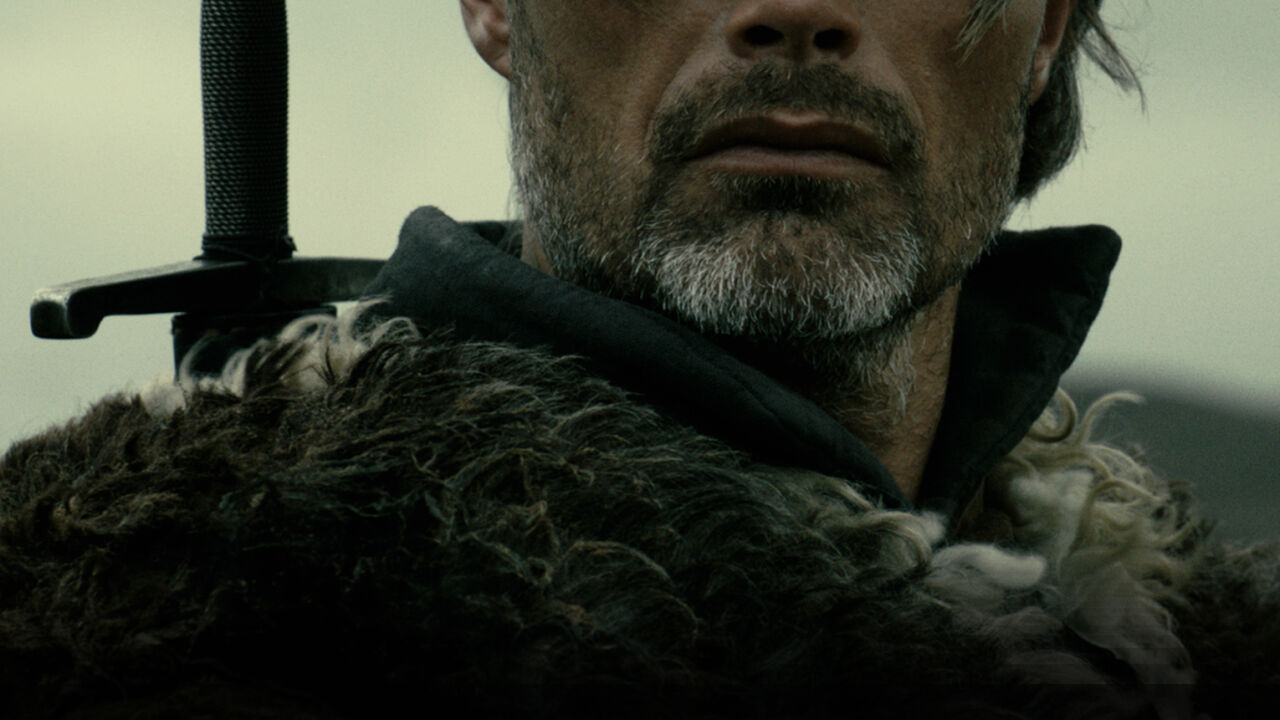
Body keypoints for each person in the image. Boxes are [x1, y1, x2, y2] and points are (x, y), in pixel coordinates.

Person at [1, 1, 1276, 717]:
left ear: (1043, 27)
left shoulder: (1196, 657)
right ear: (495, 7)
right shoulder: (139, 626)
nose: (794, 11)